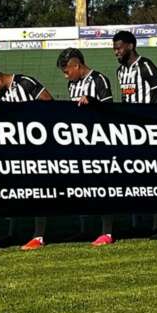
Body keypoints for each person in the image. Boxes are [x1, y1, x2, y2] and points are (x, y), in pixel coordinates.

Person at [0, 63, 53, 251]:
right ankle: (13, 232)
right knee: (13, 190)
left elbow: (49, 102)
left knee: (37, 190)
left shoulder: (25, 82)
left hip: (35, 146)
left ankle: (39, 235)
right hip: (14, 149)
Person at [110, 30, 157, 239]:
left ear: (130, 46)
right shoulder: (120, 71)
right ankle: (136, 223)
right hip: (130, 133)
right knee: (133, 179)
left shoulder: (146, 66)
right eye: (114, 49)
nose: (116, 52)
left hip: (150, 132)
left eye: (119, 48)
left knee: (156, 179)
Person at [57, 48, 116, 246]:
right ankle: (83, 229)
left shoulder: (99, 80)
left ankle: (107, 231)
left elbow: (109, 109)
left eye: (67, 71)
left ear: (77, 65)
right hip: (78, 141)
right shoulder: (72, 84)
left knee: (103, 187)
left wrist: (92, 102)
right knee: (81, 186)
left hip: (98, 141)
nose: (66, 76)